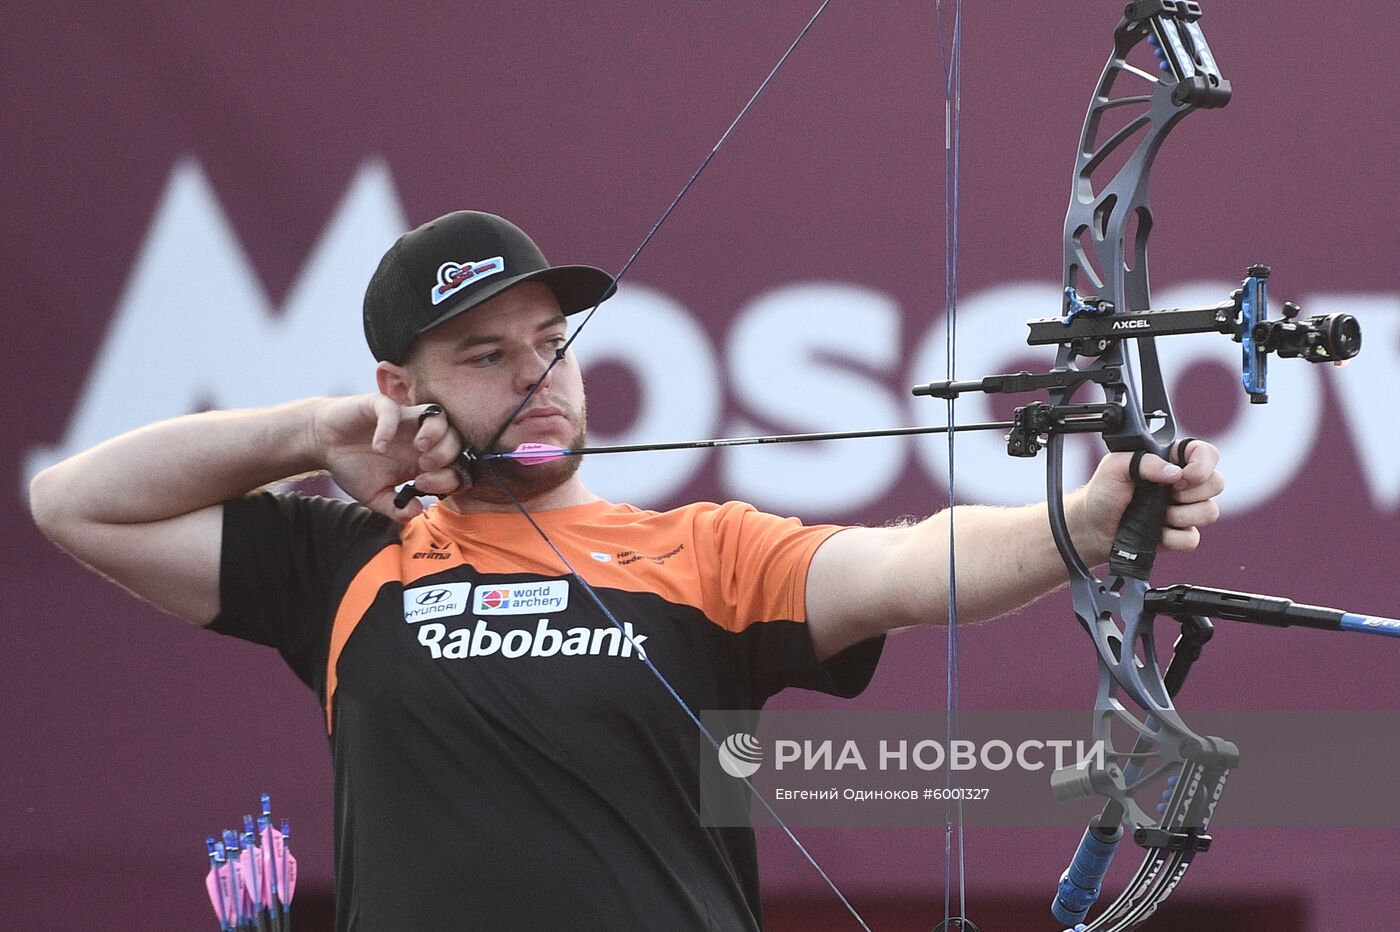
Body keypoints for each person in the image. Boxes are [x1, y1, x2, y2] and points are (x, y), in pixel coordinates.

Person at [28, 210, 1224, 931]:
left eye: (551, 343)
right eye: (486, 355)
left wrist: (1081, 513)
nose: (538, 376)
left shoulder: (700, 552)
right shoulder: (351, 563)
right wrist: (305, 433)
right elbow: (74, 502)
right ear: (403, 389)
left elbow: (909, 562)